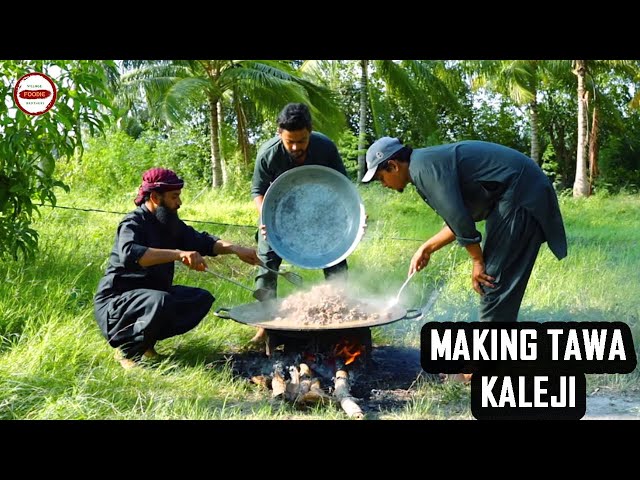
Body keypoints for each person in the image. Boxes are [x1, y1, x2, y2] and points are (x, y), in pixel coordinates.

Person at [362, 138, 568, 383]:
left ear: (393, 166)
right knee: (496, 286)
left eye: (380, 177)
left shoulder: (424, 169)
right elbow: (459, 215)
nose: (382, 184)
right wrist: (427, 248)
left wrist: (477, 261)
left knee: (492, 282)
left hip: (520, 196)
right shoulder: (425, 164)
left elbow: (460, 218)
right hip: (515, 195)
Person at [94, 167, 260, 369]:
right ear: (155, 197)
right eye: (174, 197)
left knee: (199, 299)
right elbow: (134, 255)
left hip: (150, 298)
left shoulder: (169, 223)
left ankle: (146, 343)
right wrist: (179, 254)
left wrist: (236, 249)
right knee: (160, 300)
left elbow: (203, 242)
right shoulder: (132, 223)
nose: (179, 203)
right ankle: (127, 352)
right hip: (117, 304)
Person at [249, 103, 350, 342]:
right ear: (279, 135)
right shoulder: (268, 154)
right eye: (289, 141)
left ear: (310, 132)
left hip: (321, 210)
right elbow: (258, 191)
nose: (296, 147)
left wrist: (354, 216)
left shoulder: (325, 147)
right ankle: (266, 325)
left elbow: (343, 185)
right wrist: (266, 218)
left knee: (336, 260)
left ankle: (342, 317)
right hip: (278, 213)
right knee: (266, 264)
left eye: (302, 141)